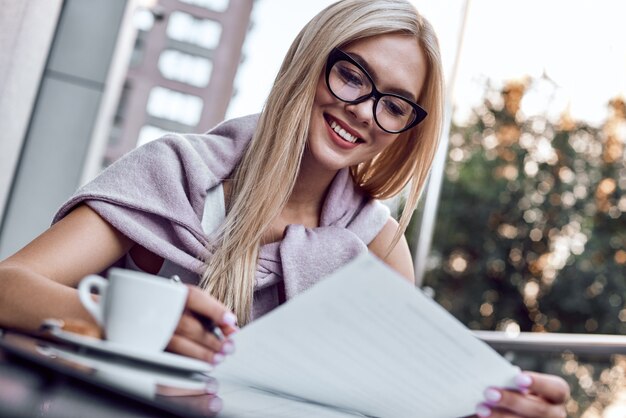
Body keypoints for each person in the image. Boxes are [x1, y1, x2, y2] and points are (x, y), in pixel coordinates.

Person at [0, 0, 569, 416]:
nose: (366, 113)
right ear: (310, 62)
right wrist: (133, 324)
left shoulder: (379, 247)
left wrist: (487, 410)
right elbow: (9, 286)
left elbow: (387, 399)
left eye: (394, 105)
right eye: (352, 76)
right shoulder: (174, 172)